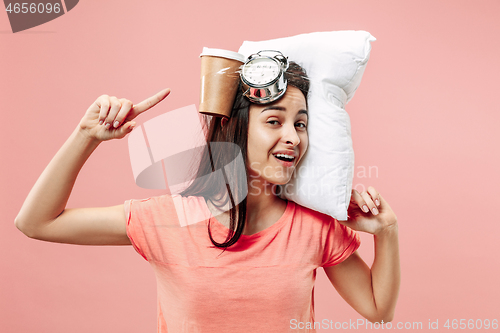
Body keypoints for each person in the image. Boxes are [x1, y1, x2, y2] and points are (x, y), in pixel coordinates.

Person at [15, 60, 400, 332]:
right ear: (235, 128)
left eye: (300, 123)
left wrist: (387, 231)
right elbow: (37, 222)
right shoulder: (166, 218)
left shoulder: (314, 227)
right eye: (273, 121)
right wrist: (86, 136)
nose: (293, 137)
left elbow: (378, 310)